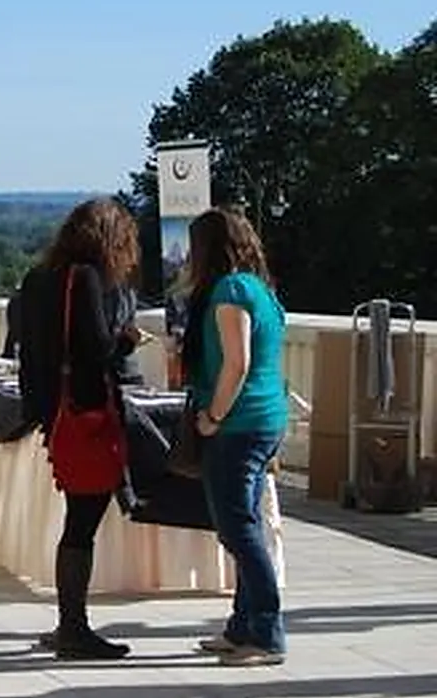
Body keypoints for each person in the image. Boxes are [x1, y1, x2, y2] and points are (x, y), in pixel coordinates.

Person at [15, 197, 142, 661]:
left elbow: (29, 350)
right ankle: (73, 626)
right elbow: (95, 349)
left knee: (77, 519)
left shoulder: (38, 278)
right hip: (86, 411)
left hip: (56, 411)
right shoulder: (85, 278)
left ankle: (70, 624)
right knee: (82, 524)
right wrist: (125, 339)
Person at [184, 207, 289, 667]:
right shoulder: (262, 290)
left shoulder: (231, 290)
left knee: (238, 530)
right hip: (267, 418)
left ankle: (266, 633)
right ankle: (242, 626)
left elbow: (237, 362)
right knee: (247, 524)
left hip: (239, 424)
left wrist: (213, 415)